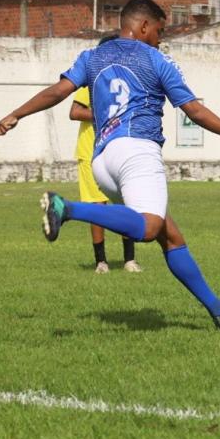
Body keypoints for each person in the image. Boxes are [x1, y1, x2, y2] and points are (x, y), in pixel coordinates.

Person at [0, 0, 220, 329]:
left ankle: (219, 310)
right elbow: (194, 110)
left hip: (103, 162)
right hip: (137, 153)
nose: (160, 40)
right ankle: (67, 208)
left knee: (170, 236)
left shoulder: (92, 57)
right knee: (148, 228)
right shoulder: (157, 60)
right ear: (144, 26)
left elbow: (58, 92)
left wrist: (16, 114)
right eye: (159, 31)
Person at [68, 32, 141, 274]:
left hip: (119, 151)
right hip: (90, 151)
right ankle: (101, 261)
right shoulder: (91, 79)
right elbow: (75, 112)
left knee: (126, 204)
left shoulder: (127, 80)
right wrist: (104, 113)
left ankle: (130, 260)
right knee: (97, 207)